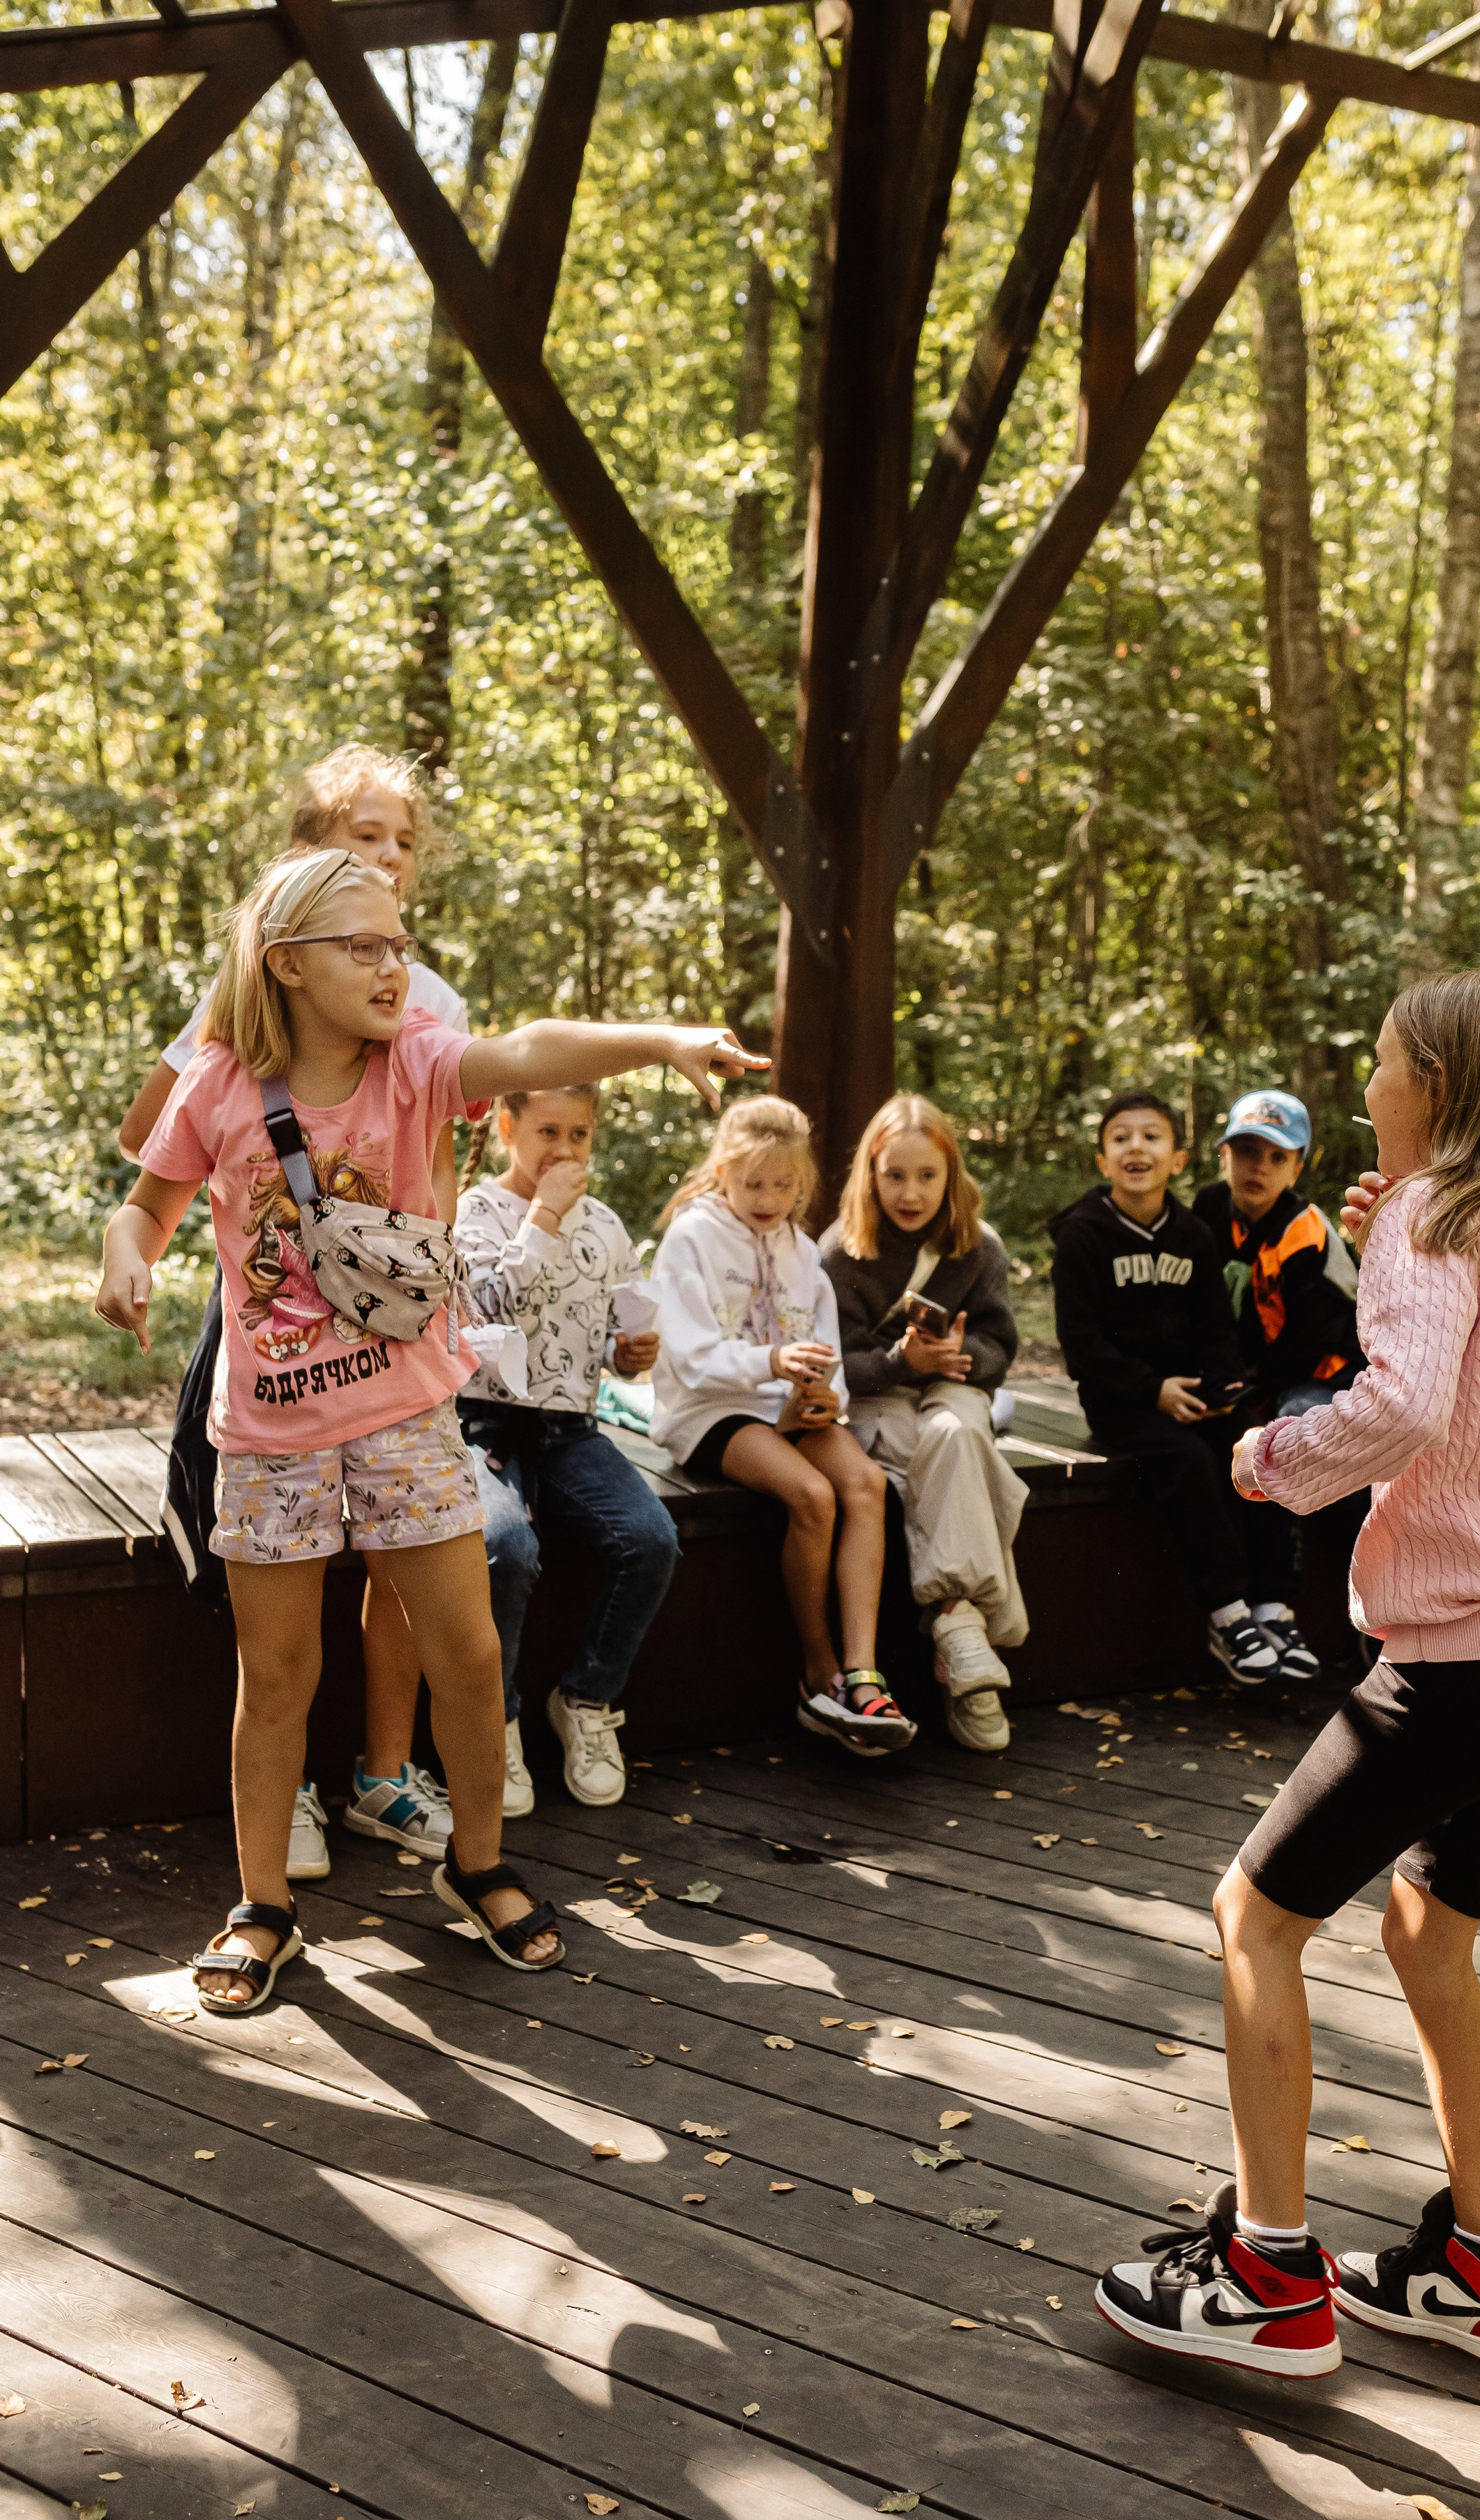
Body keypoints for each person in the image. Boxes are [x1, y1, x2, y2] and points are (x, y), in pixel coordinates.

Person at [95, 841, 763, 2011]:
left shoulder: (415, 1067)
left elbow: (534, 1046)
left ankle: (478, 1866)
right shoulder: (217, 1083)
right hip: (269, 1436)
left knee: (467, 1652)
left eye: (402, 943)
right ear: (287, 961)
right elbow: (146, 1206)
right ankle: (263, 1907)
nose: (394, 965)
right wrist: (124, 1260)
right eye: (364, 945)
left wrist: (662, 1041)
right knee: (279, 1675)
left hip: (407, 1418)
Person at [1094, 970, 1480, 2380]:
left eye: (1379, 1070)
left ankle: (1268, 2272)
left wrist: (1265, 1462)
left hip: (1471, 1655)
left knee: (1252, 1919)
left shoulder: (1422, 1214)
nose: (1364, 1096)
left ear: (1437, 1092)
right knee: (1421, 1933)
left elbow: (1402, 1407)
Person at [119, 745, 465, 1884]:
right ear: (308, 851)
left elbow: (442, 1162)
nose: (389, 857)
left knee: (402, 1560)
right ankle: (290, 1801)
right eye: (364, 835)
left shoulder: (423, 993)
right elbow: (152, 1144)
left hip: (393, 1328)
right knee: (273, 1570)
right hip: (270, 1321)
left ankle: (382, 1768)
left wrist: (430, 1288)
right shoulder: (253, 996)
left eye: (404, 842)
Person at [651, 1095, 913, 1757]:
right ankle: (816, 1674)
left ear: (803, 1183)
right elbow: (689, 1356)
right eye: (753, 1183)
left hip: (786, 1406)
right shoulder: (692, 1236)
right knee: (813, 1496)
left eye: (784, 1184)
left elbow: (825, 1351)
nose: (768, 1198)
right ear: (723, 1172)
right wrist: (770, 1361)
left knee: (865, 1485)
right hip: (709, 1409)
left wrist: (829, 1397)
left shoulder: (801, 1249)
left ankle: (863, 1672)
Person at [454, 1086, 679, 1813]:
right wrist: (543, 1215)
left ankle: (586, 1698)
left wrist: (632, 1352)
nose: (565, 1149)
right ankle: (500, 1719)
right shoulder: (476, 1212)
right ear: (508, 1126)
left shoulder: (607, 1226)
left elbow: (615, 1343)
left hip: (571, 1428)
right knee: (505, 1547)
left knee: (651, 1539)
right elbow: (488, 1307)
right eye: (547, 1131)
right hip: (482, 1423)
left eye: (579, 1135)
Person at [1048, 1090, 1285, 1686]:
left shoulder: (1192, 1234)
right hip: (1123, 1403)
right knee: (1186, 1461)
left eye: (1151, 1136)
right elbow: (1082, 1344)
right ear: (1102, 1160)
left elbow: (1215, 1327)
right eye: (1121, 1137)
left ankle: (1274, 1607)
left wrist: (1223, 1384)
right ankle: (1227, 1614)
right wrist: (1152, 1390)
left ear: (1177, 1159)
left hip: (1192, 1394)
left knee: (1255, 1448)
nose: (1136, 1147)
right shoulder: (1082, 1235)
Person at [820, 1094, 1027, 1753]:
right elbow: (838, 1368)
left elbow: (1001, 1343)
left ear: (952, 1176)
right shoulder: (840, 1253)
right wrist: (896, 1361)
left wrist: (962, 1358)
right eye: (895, 1176)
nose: (910, 1193)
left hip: (953, 1389)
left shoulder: (978, 1246)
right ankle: (963, 1636)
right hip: (878, 1400)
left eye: (927, 1177)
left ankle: (958, 1627)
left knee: (959, 1435)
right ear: (870, 1176)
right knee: (943, 1454)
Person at [1190, 1088, 1367, 1679]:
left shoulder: (1307, 1232)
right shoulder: (1210, 1210)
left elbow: (1312, 1339)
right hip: (1248, 1372)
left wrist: (1247, 1388)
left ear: (1298, 1165)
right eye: (1245, 1152)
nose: (1257, 1168)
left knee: (1292, 1437)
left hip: (1323, 1372)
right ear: (1223, 1157)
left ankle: (1328, 1611)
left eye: (1274, 1157)